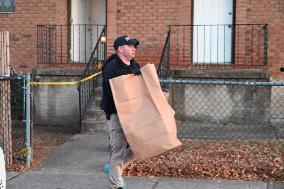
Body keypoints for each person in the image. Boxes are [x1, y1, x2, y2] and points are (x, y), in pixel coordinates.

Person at [100, 35, 140, 189]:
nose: (134, 48)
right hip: (116, 115)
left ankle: (113, 169)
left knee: (138, 149)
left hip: (133, 114)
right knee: (118, 151)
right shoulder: (111, 68)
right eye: (130, 46)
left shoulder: (134, 66)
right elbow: (113, 94)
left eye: (134, 46)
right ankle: (116, 185)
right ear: (120, 49)